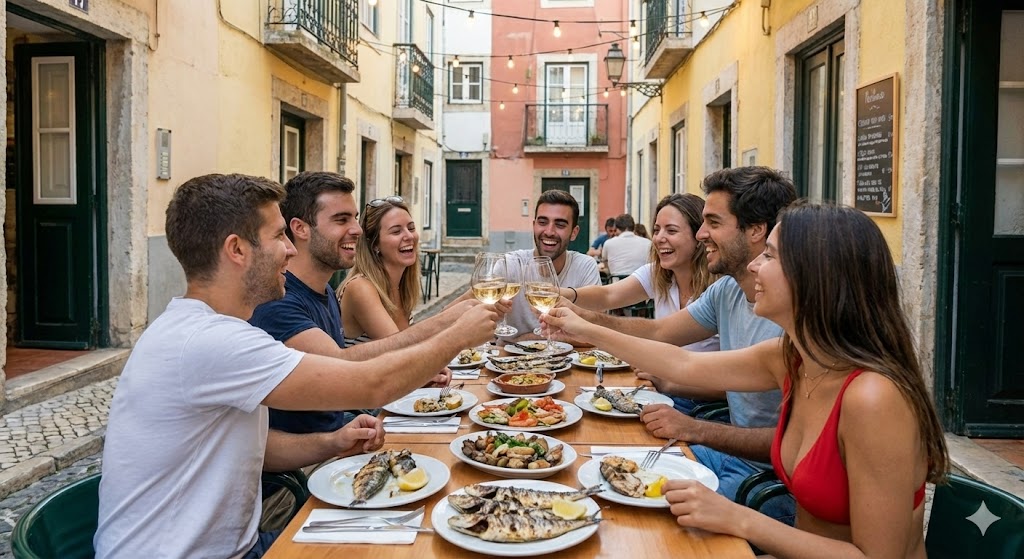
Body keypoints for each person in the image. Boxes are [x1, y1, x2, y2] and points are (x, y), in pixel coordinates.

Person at [94, 174, 503, 558]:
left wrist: (332, 442)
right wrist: (455, 335)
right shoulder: (210, 340)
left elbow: (254, 448)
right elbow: (371, 384)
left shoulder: (210, 327)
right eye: (278, 236)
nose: (290, 250)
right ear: (237, 250)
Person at [543, 202, 950, 558]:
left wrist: (738, 518)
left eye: (769, 256)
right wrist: (587, 328)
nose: (755, 265)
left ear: (816, 276)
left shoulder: (874, 398)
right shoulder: (793, 356)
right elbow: (681, 364)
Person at [551, 166, 798, 523]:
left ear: (757, 231)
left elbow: (794, 445)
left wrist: (693, 427)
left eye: (712, 222)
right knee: (599, 474)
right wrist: (583, 319)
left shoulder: (792, 320)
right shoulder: (727, 289)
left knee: (635, 515)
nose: (701, 234)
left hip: (767, 481)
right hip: (726, 451)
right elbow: (660, 333)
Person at [249, 174, 454, 470]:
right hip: (307, 466)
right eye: (341, 220)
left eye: (355, 218)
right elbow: (343, 366)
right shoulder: (279, 302)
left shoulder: (325, 292)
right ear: (300, 228)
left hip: (341, 440)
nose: (357, 229)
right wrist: (452, 327)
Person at [565, 194, 722, 403]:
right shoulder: (658, 273)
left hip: (703, 403)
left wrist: (668, 383)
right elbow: (608, 295)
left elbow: (659, 333)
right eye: (656, 230)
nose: (658, 238)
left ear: (699, 237)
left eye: (671, 230)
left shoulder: (721, 288)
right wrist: (565, 294)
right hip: (663, 391)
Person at [337, 196, 429, 348]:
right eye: (396, 231)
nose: (409, 236)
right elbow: (401, 349)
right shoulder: (360, 287)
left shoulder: (400, 286)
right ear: (375, 245)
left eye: (411, 228)